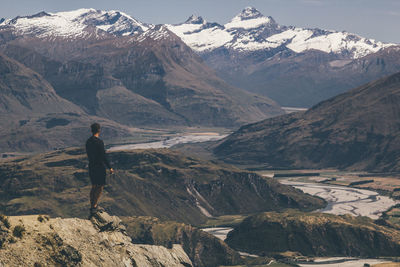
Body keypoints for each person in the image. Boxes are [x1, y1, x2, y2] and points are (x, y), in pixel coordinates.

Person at [85, 123, 114, 215]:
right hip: (99, 166)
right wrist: (110, 167)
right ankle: (95, 206)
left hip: (91, 166)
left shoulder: (88, 142)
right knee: (100, 186)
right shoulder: (99, 142)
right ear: (99, 130)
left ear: (91, 130)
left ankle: (92, 206)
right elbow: (103, 156)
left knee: (94, 186)